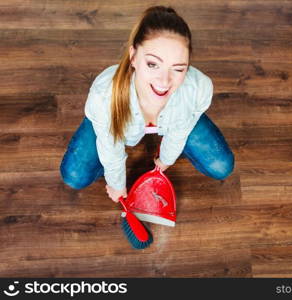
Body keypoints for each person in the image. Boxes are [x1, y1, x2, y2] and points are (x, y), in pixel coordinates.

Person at [60, 6, 234, 203]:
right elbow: (111, 150)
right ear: (133, 56)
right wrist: (116, 183)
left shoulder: (197, 89)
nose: (164, 81)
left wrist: (165, 161)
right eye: (153, 64)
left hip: (179, 120)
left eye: (178, 69)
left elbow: (180, 131)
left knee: (222, 167)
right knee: (74, 176)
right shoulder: (104, 97)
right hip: (109, 121)